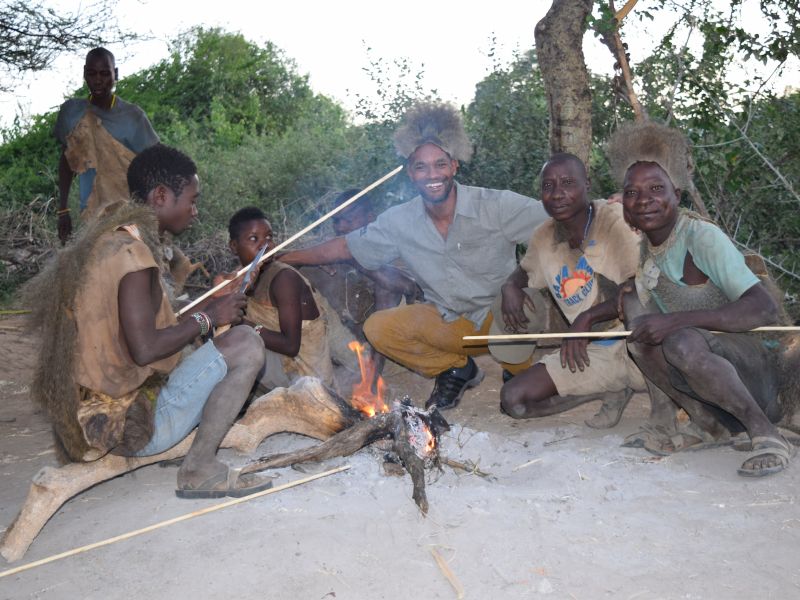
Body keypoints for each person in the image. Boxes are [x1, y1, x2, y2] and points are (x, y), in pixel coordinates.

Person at [25, 143, 273, 498]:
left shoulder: (111, 240)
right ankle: (200, 469)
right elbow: (145, 349)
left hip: (86, 420)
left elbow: (138, 331)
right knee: (247, 344)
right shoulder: (134, 257)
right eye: (191, 199)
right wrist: (209, 317)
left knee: (209, 343)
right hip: (124, 428)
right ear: (160, 196)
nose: (195, 210)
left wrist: (207, 309)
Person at [282, 101, 548, 410]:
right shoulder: (400, 221)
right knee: (379, 328)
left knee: (521, 334)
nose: (431, 174)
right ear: (411, 173)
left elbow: (557, 218)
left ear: (454, 166)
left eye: (440, 164)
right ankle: (457, 368)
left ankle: (517, 372)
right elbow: (345, 246)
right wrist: (285, 258)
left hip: (502, 314)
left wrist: (605, 206)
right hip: (450, 323)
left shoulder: (495, 205)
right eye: (421, 166)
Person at [608, 120, 794, 476]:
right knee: (640, 340)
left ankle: (767, 434)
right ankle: (710, 425)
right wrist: (623, 297)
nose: (643, 199)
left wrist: (675, 321)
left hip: (765, 378)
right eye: (631, 192)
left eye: (655, 188)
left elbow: (763, 306)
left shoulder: (700, 237)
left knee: (678, 340)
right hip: (719, 378)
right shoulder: (649, 248)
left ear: (676, 194)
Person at [498, 153, 647, 427]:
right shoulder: (544, 235)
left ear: (586, 184)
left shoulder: (613, 218)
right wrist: (510, 286)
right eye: (548, 186)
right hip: (592, 352)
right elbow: (525, 271)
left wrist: (586, 318)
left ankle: (659, 398)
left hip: (641, 345)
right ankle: (608, 387)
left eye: (567, 182)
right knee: (514, 400)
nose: (557, 194)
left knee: (686, 364)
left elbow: (638, 289)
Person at [219, 206, 336, 390]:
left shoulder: (283, 279)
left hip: (307, 378)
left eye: (269, 237)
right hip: (282, 365)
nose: (265, 245)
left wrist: (242, 324)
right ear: (233, 246)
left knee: (232, 345)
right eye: (253, 239)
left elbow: (290, 346)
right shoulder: (239, 280)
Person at [54, 47, 159, 243]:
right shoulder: (73, 113)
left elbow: (155, 165)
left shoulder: (133, 117)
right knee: (98, 266)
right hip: (92, 215)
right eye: (92, 74)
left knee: (136, 262)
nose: (98, 80)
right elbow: (67, 161)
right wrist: (63, 209)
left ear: (115, 74)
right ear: (85, 74)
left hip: (131, 215)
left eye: (104, 73)